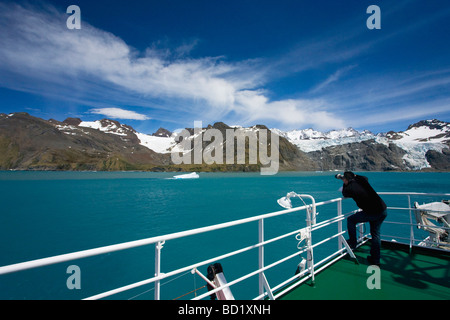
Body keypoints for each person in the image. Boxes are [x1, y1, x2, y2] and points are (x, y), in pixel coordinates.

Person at [336, 171, 387, 266]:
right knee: (376, 235)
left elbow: (344, 193)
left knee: (351, 220)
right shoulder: (362, 180)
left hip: (372, 212)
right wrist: (354, 176)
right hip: (382, 210)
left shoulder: (350, 188)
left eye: (344, 179)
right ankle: (375, 259)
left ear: (346, 180)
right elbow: (365, 177)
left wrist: (344, 183)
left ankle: (353, 242)